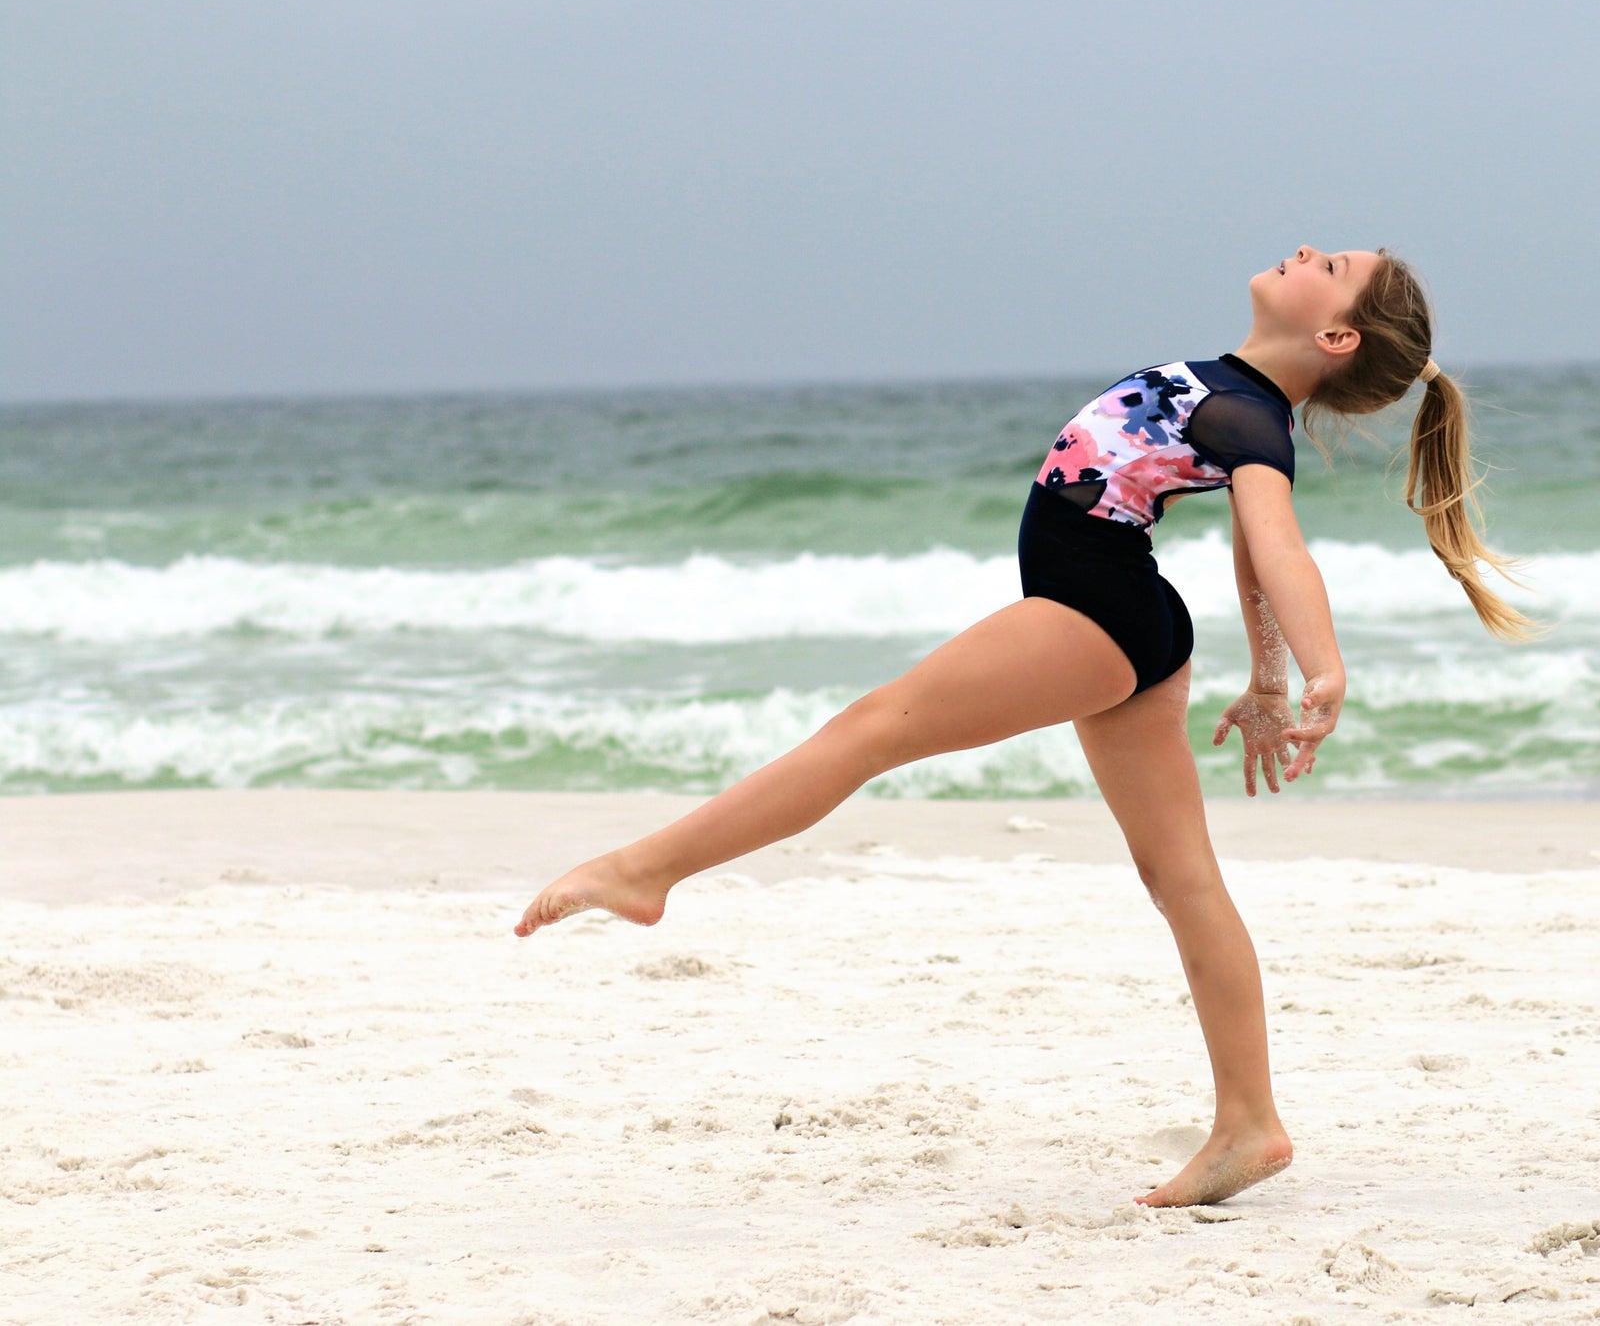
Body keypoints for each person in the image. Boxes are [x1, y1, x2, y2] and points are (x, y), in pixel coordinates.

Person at [514, 244, 1538, 1207]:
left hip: (1096, 612)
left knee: (871, 729)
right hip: (1127, 623)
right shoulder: (1232, 393)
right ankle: (1249, 1124)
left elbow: (1278, 546)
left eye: (1332, 265)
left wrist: (1320, 668)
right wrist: (1266, 680)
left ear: (1336, 336)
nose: (1307, 251)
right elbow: (1244, 548)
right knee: (1180, 879)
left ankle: (647, 870)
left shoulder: (1247, 416)